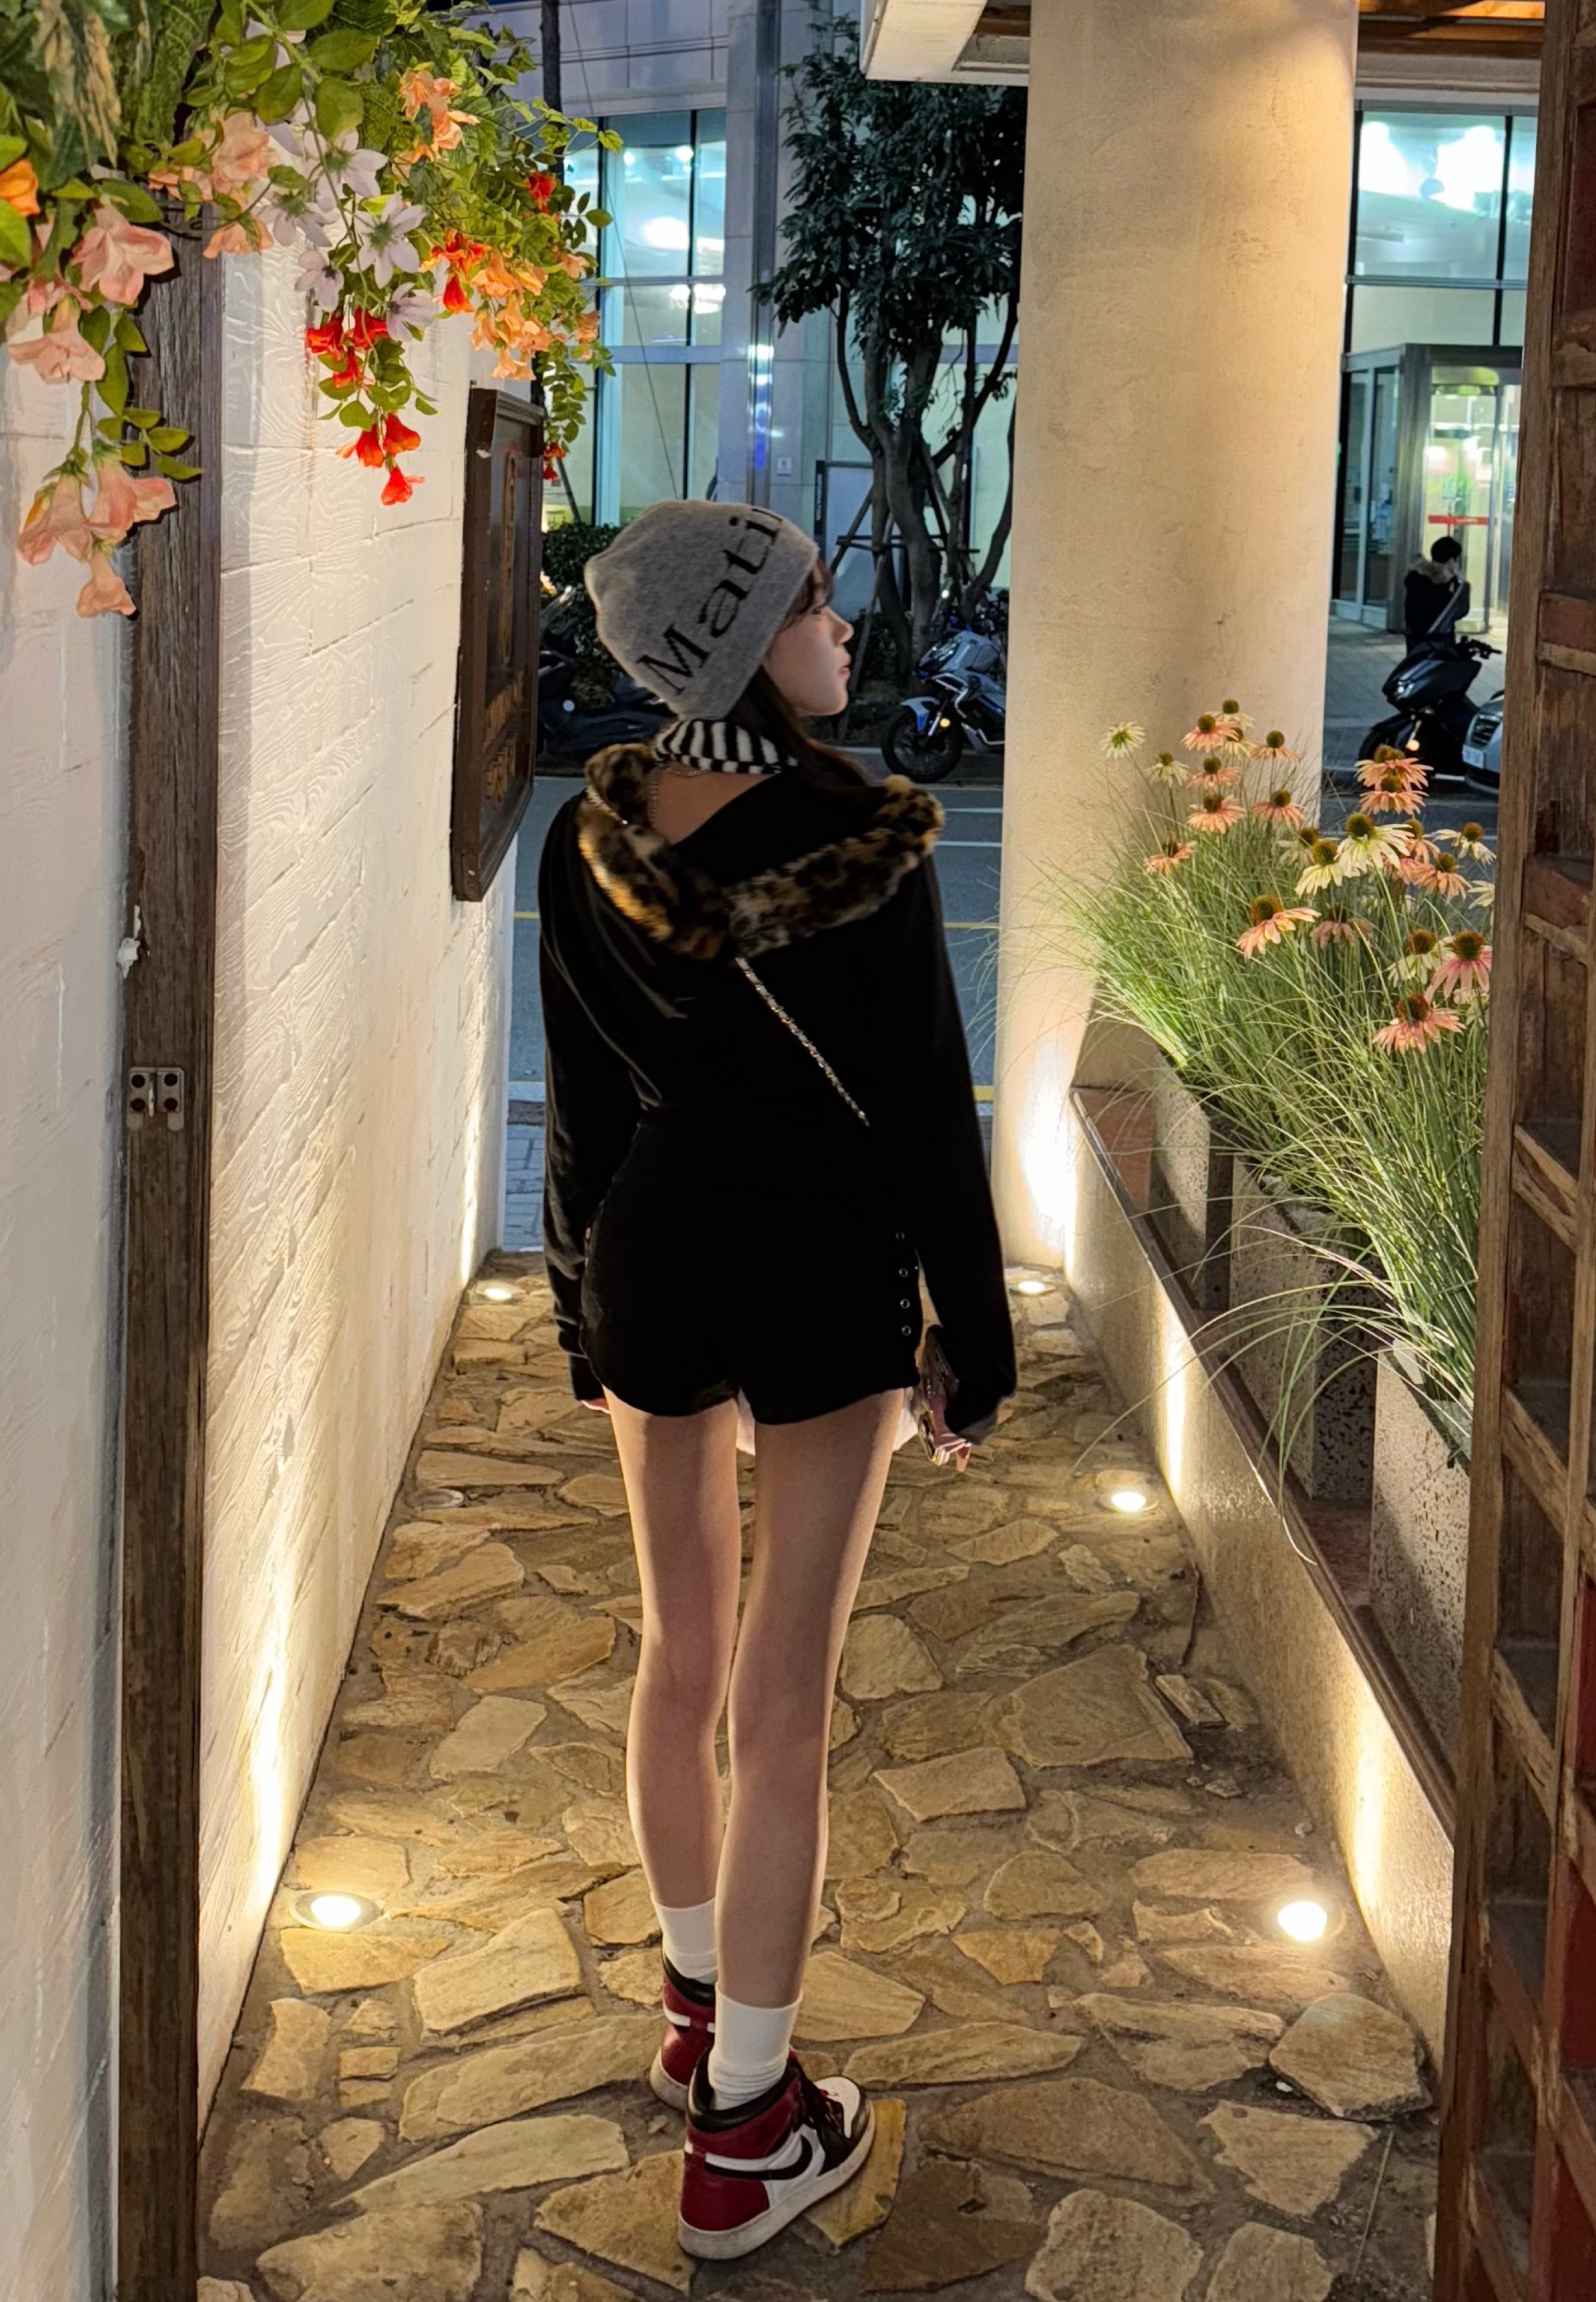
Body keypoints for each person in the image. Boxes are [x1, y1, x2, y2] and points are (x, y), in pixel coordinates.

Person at [538, 501, 1014, 2260]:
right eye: (813, 600)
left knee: (679, 1652)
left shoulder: (589, 835)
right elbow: (926, 1115)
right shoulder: (864, 839)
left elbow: (583, 1105)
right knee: (783, 1696)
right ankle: (748, 2126)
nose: (841, 624)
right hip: (816, 1267)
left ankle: (691, 2010)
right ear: (744, 639)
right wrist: (973, 1337)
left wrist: (581, 1305)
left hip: (651, 1250)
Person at [1402, 533, 1466, 647]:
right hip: (1438, 645)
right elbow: (1459, 611)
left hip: (1415, 644)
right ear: (1452, 560)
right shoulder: (1450, 585)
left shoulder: (1415, 577)